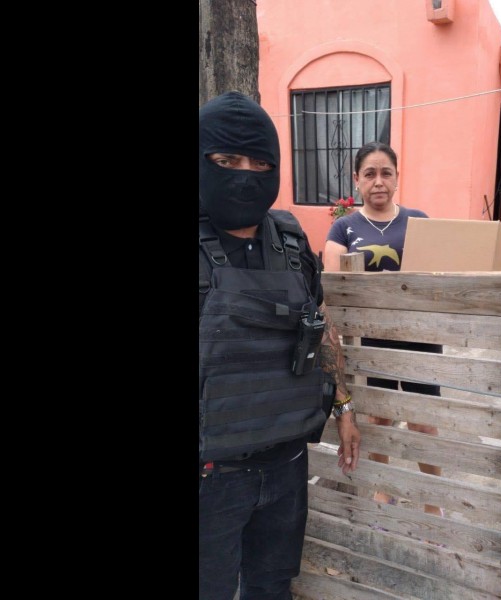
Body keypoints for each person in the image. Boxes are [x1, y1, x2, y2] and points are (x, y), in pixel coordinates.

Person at [199, 91, 361, 600]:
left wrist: (345, 407)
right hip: (211, 476)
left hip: (287, 466)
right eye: (227, 161)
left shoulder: (290, 241)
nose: (246, 175)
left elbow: (320, 323)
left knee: (271, 587)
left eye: (260, 163)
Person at [323, 141, 445, 516]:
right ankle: (384, 488)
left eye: (386, 173)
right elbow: (332, 282)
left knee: (423, 422)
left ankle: (433, 501)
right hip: (371, 342)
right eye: (370, 173)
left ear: (396, 178)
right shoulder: (344, 227)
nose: (378, 181)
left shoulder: (419, 221)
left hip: (419, 337)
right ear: (357, 180)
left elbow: (447, 266)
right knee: (379, 417)